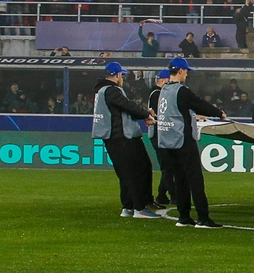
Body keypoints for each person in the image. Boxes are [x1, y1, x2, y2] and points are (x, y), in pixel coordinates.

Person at [153, 56, 227, 228]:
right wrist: (219, 113)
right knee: (195, 180)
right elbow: (199, 104)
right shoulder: (182, 90)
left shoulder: (163, 90)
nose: (186, 75)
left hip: (167, 140)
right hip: (183, 139)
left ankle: (184, 216)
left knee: (180, 180)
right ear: (180, 71)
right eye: (186, 71)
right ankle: (203, 217)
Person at [92, 62, 161, 219]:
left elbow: (122, 109)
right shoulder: (111, 90)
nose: (122, 78)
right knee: (134, 171)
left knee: (126, 173)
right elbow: (127, 105)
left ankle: (128, 207)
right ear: (117, 75)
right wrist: (145, 114)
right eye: (121, 75)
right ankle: (139, 208)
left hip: (115, 136)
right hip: (122, 137)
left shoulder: (102, 91)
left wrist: (143, 114)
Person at [147, 69, 174, 207]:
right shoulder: (158, 94)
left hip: (159, 133)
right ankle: (174, 195)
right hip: (158, 133)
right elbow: (161, 114)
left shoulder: (156, 93)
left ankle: (162, 195)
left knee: (168, 164)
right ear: (163, 80)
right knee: (168, 165)